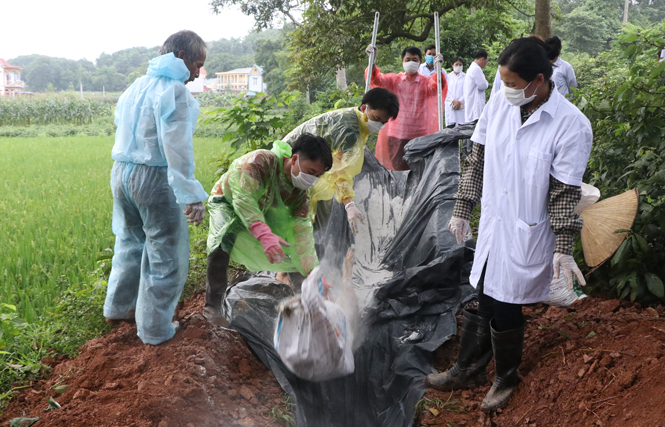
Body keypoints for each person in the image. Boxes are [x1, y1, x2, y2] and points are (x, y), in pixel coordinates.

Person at [426, 37, 592, 412]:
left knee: (507, 302)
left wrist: (564, 247)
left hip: (527, 228)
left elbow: (565, 192)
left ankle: (505, 377)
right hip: (494, 221)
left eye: (514, 85)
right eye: (502, 82)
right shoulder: (500, 103)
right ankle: (467, 368)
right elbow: (477, 160)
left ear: (539, 80)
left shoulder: (571, 126)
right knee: (485, 288)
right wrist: (461, 207)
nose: (506, 91)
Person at [104, 30, 209, 345]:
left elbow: (121, 125)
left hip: (122, 173)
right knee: (165, 254)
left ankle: (119, 309)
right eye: (197, 64)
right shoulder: (174, 92)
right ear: (181, 57)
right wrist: (191, 195)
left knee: (130, 243)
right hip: (154, 178)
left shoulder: (136, 85)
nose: (197, 73)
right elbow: (176, 148)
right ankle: (155, 330)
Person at [204, 134, 333, 325]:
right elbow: (244, 199)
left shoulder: (299, 195)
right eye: (310, 171)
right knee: (222, 242)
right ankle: (212, 311)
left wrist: (314, 274)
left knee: (291, 251)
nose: (312, 180)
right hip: (229, 203)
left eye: (317, 176)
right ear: (295, 159)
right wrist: (264, 234)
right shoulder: (260, 162)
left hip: (261, 209)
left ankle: (308, 305)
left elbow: (302, 237)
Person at [281, 88, 399, 236]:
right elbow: (338, 169)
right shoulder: (349, 128)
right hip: (294, 165)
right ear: (364, 108)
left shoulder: (356, 121)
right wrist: (349, 204)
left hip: (305, 164)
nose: (379, 125)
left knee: (316, 213)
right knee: (304, 216)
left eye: (383, 122)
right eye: (376, 119)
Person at [365, 45, 447, 171]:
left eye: (414, 60)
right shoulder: (394, 80)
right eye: (407, 59)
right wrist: (373, 61)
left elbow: (438, 85)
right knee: (399, 173)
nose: (411, 62)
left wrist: (438, 70)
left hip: (420, 136)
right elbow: (376, 80)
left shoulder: (426, 82)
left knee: (419, 172)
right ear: (402, 61)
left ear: (420, 62)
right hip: (397, 135)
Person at [463, 49, 489, 123]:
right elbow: (483, 85)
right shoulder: (476, 69)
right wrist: (486, 83)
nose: (486, 63)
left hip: (472, 104)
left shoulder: (472, 68)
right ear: (482, 59)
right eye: (486, 61)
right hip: (475, 108)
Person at [444, 57, 466, 127]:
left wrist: (459, 101)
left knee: (462, 129)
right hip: (450, 105)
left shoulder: (466, 77)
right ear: (452, 65)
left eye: (460, 64)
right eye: (456, 64)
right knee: (451, 129)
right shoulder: (448, 77)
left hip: (461, 106)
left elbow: (467, 91)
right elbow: (445, 91)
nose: (458, 66)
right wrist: (453, 101)